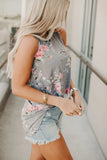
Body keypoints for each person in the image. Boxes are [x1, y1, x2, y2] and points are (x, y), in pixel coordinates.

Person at [6, 0, 85, 159]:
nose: (64, 14)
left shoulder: (60, 34)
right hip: (39, 116)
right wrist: (61, 101)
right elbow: (17, 87)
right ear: (50, 10)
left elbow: (62, 72)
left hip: (55, 113)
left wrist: (75, 92)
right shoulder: (30, 41)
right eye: (63, 9)